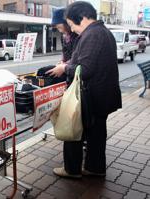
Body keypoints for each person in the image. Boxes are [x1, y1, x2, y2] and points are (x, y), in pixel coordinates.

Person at [48, 1, 122, 178]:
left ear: (81, 18)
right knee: (96, 135)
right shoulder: (102, 31)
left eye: (72, 25)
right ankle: (95, 168)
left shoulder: (92, 35)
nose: (71, 29)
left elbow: (86, 70)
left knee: (73, 130)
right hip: (101, 96)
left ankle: (71, 170)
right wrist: (69, 64)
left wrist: (64, 68)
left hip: (92, 96)